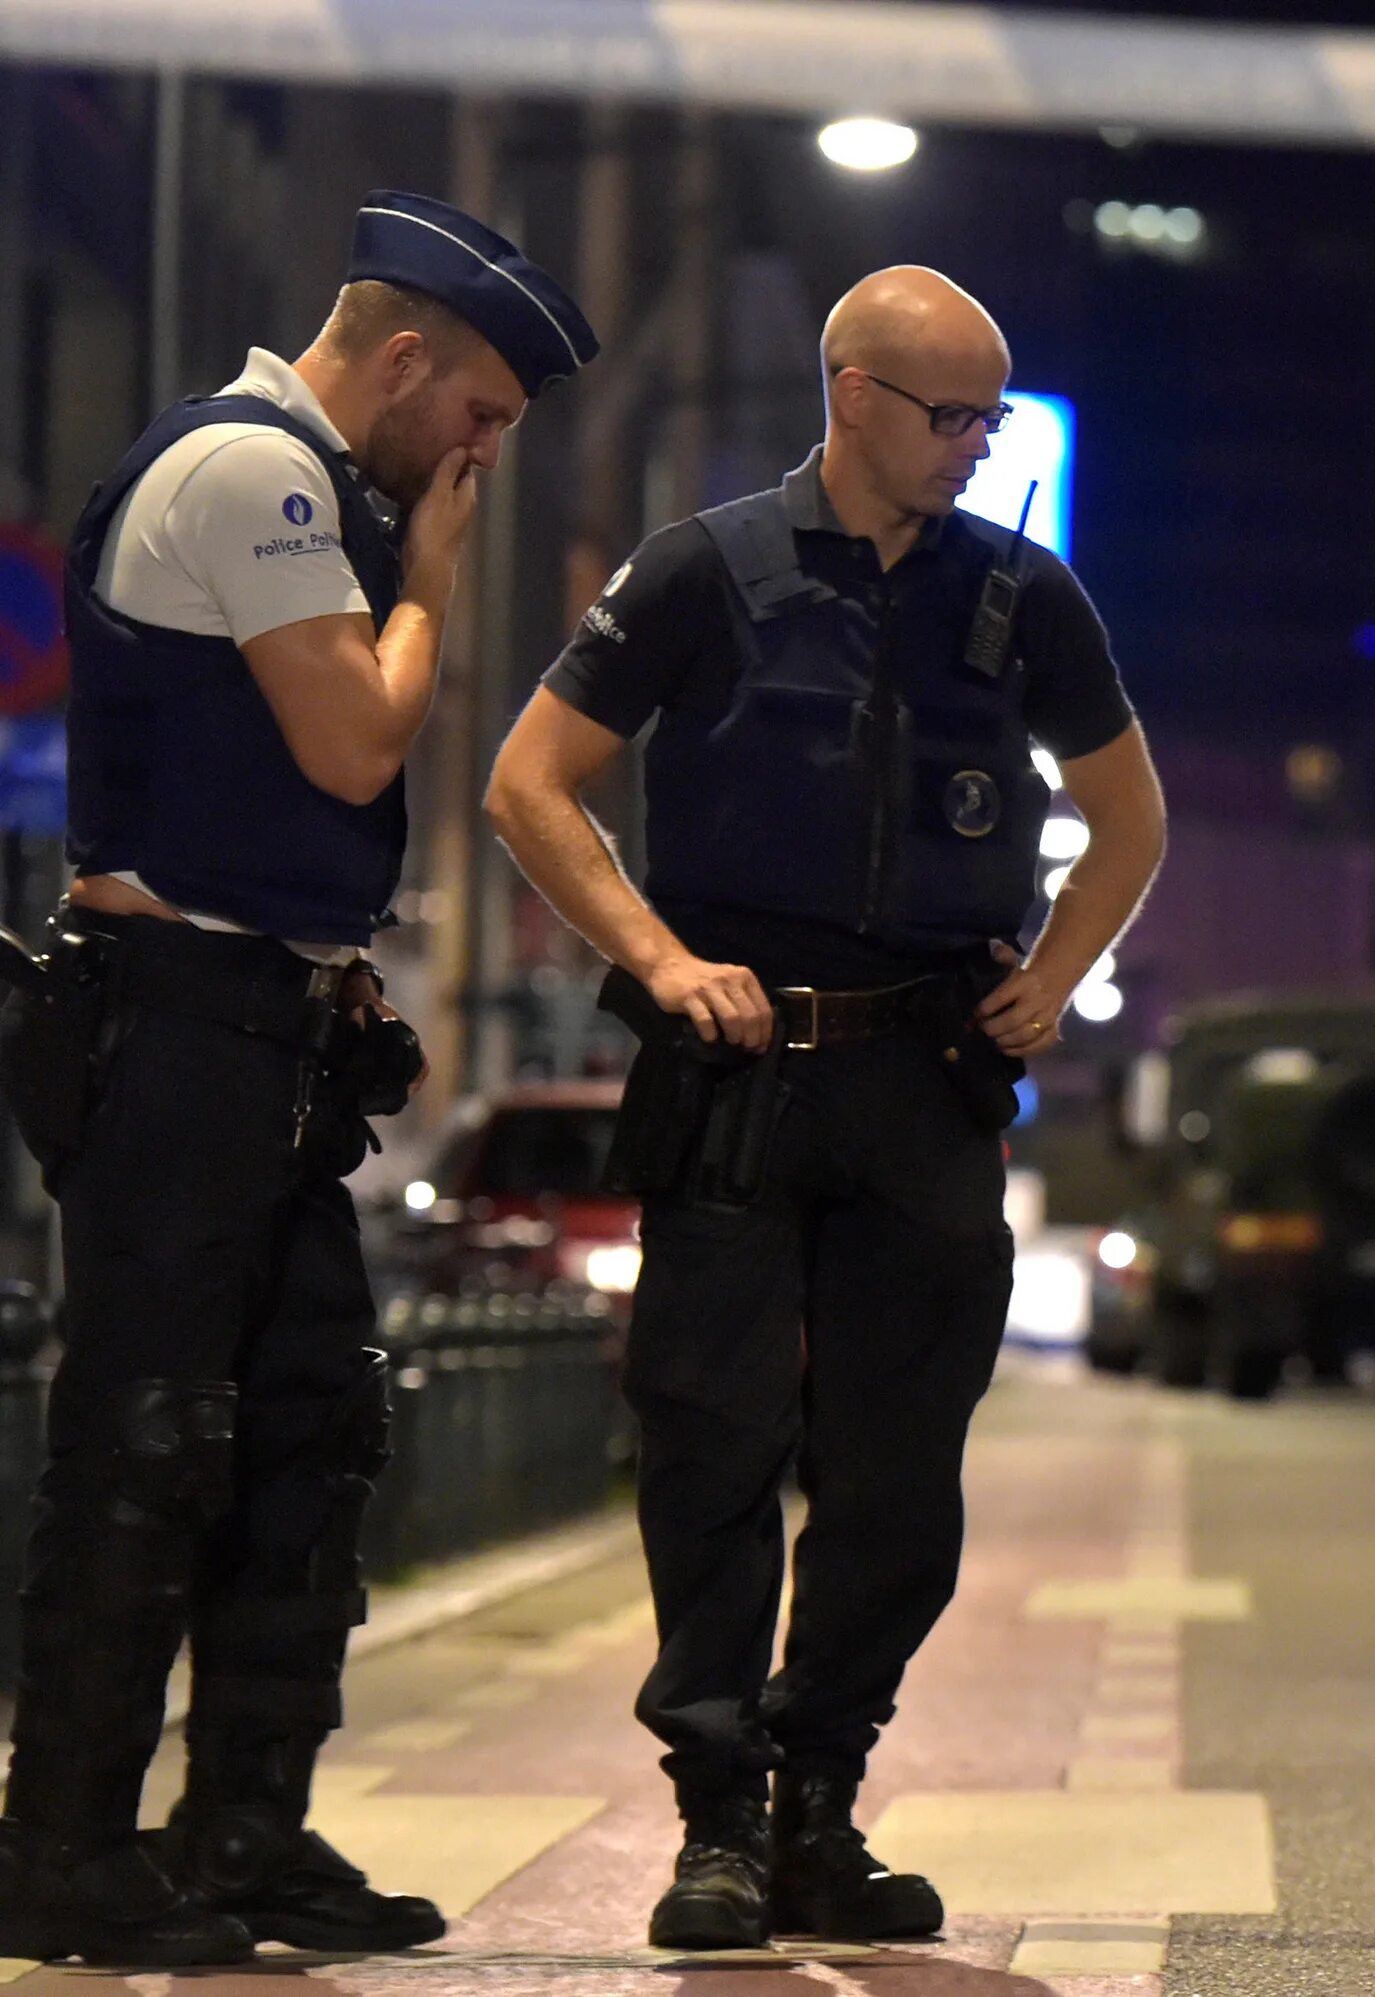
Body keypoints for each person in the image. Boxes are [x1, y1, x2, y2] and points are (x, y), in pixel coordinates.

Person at [485, 266, 1168, 1951]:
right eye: (953, 413)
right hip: (736, 1074)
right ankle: (716, 1821)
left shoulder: (1024, 597)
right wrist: (653, 955)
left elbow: (1129, 814)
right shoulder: (703, 571)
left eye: (992, 415)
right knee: (712, 1451)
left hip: (923, 1075)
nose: (978, 443)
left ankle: (819, 1799)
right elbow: (530, 780)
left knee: (896, 1477)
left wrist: (1063, 968)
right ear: (853, 394)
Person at [0, 193, 595, 1966]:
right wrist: (431, 587)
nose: (483, 451)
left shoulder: (319, 488)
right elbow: (356, 733)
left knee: (311, 1432)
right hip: (174, 1024)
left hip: (263, 1034)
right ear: (402, 358)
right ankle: (65, 1846)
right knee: (147, 1437)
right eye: (480, 411)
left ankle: (245, 1835)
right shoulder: (252, 472)